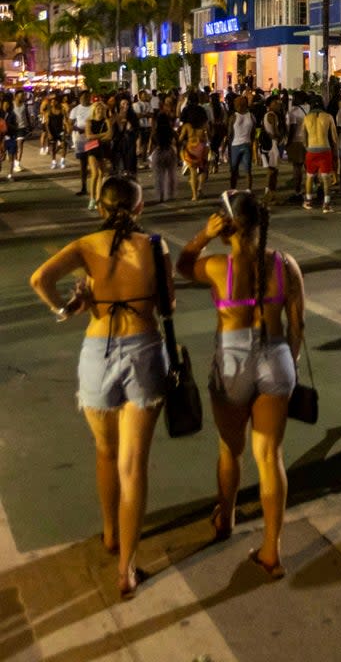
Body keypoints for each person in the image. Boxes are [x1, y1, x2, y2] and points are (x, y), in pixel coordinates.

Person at [29, 177, 168, 598]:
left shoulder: (86, 245)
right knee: (134, 464)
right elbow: (169, 305)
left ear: (100, 205)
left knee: (105, 452)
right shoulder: (154, 246)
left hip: (98, 349)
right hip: (144, 349)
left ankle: (110, 533)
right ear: (140, 208)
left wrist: (69, 306)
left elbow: (40, 279)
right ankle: (126, 568)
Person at [177, 192, 305, 580]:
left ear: (228, 225)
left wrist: (202, 235)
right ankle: (272, 551)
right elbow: (298, 324)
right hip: (277, 354)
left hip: (233, 361)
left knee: (231, 449)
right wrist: (289, 363)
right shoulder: (285, 265)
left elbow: (182, 266)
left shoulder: (219, 267)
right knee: (270, 457)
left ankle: (227, 517)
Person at [303, 101, 338, 213]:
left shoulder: (306, 118)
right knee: (326, 177)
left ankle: (308, 202)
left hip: (311, 149)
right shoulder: (328, 117)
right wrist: (336, 151)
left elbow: (303, 137)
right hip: (325, 148)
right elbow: (334, 137)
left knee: (309, 176)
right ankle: (326, 205)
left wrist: (307, 147)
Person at [149, 96, 179, 204]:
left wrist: (149, 151)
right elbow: (177, 138)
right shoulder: (170, 129)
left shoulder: (156, 131)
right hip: (169, 150)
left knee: (159, 175)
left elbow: (152, 140)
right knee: (171, 174)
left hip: (158, 151)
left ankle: (160, 194)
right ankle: (170, 193)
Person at [85, 102, 113, 211]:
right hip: (92, 148)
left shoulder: (107, 121)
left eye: (101, 109)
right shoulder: (89, 121)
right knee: (95, 173)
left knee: (102, 173)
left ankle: (98, 198)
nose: (100, 111)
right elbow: (88, 136)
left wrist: (97, 137)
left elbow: (110, 136)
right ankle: (92, 198)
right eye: (97, 109)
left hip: (103, 148)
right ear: (94, 110)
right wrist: (103, 135)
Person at [179, 107, 210, 202]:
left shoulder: (187, 126)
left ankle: (194, 195)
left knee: (193, 172)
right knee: (203, 169)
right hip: (202, 148)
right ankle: (200, 188)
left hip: (191, 148)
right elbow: (209, 136)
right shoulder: (204, 125)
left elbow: (180, 139)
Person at [258, 96, 284, 204]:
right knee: (271, 171)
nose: (278, 104)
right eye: (275, 103)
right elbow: (275, 132)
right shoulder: (271, 115)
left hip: (269, 145)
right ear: (269, 105)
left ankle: (271, 194)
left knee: (273, 171)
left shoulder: (268, 114)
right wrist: (281, 136)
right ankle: (268, 194)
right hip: (272, 146)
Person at [227, 95, 256, 192]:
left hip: (235, 145)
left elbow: (230, 133)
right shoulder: (251, 116)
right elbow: (253, 132)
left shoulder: (233, 116)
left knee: (234, 170)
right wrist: (252, 142)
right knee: (248, 170)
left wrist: (227, 146)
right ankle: (248, 190)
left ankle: (232, 189)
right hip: (247, 144)